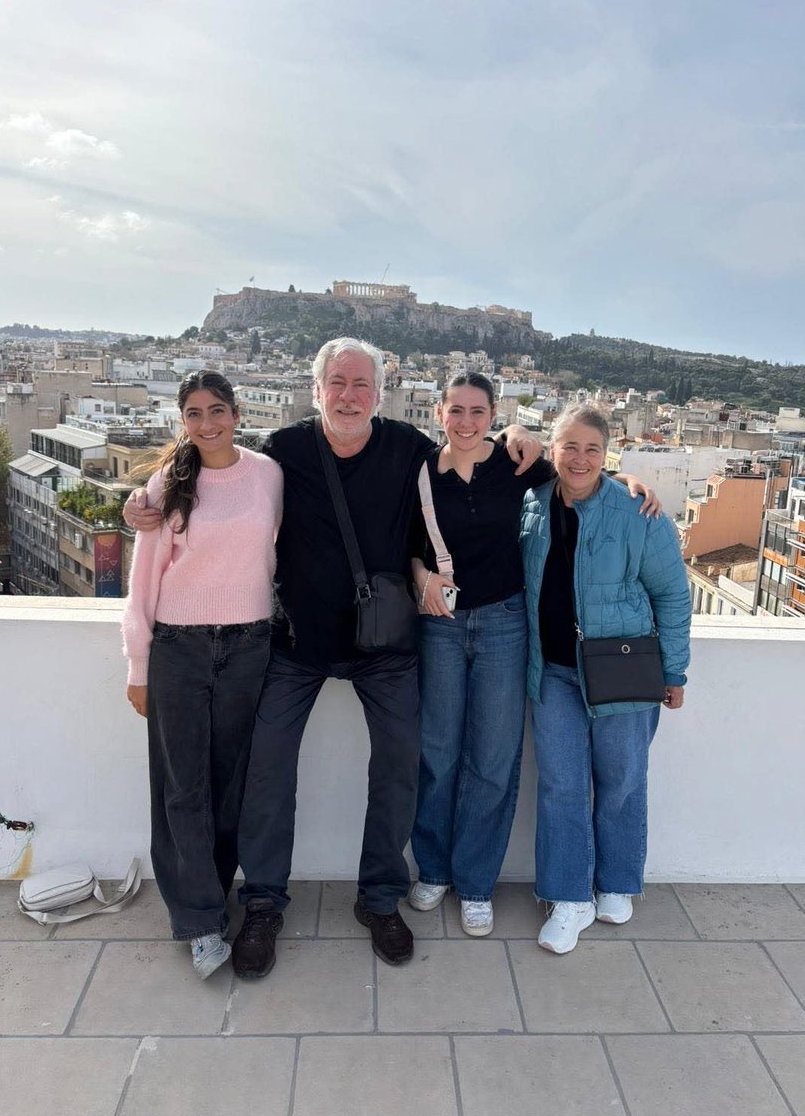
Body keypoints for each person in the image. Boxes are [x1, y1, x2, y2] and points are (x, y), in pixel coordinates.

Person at [124, 337, 540, 978]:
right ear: (316, 390)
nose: (349, 396)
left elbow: (471, 450)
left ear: (380, 394)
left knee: (400, 763)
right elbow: (212, 467)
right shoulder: (284, 455)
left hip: (385, 646)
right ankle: (264, 902)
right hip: (297, 643)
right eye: (337, 384)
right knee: (267, 771)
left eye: (362, 385)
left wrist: (524, 437)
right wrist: (144, 503)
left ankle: (379, 897)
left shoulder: (406, 447)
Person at [409, 375, 659, 937]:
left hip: (504, 625)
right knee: (437, 753)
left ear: (495, 414)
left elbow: (583, 480)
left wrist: (632, 479)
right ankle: (432, 869)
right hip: (441, 627)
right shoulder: (420, 470)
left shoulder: (516, 464)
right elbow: (405, 544)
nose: (466, 421)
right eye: (456, 410)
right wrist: (421, 574)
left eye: (479, 411)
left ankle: (474, 885)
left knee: (493, 761)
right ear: (438, 412)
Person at [121, 370, 283, 979]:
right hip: (179, 650)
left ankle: (213, 898)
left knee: (230, 785)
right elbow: (143, 583)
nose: (208, 423)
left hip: (250, 645)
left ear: (237, 413)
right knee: (181, 787)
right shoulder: (167, 485)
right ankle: (200, 921)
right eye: (195, 413)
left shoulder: (268, 474)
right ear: (181, 420)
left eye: (218, 410)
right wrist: (138, 664)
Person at [519, 401, 691, 954]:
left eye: (592, 448)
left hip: (623, 670)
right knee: (562, 786)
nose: (580, 458)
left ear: (607, 454)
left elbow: (672, 594)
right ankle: (569, 898)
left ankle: (618, 881)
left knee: (621, 779)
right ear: (552, 449)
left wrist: (675, 671)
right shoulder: (530, 507)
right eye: (569, 446)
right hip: (554, 673)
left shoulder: (639, 512)